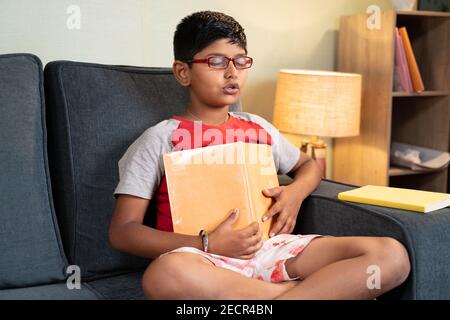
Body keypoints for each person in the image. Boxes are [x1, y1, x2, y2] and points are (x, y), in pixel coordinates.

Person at [109, 10, 410, 300]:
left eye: (241, 61)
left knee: (390, 255)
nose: (232, 72)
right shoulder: (159, 139)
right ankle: (313, 293)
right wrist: (207, 243)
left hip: (271, 249)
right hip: (203, 260)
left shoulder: (259, 128)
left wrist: (295, 193)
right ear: (183, 72)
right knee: (163, 276)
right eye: (216, 61)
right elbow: (123, 232)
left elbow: (309, 165)